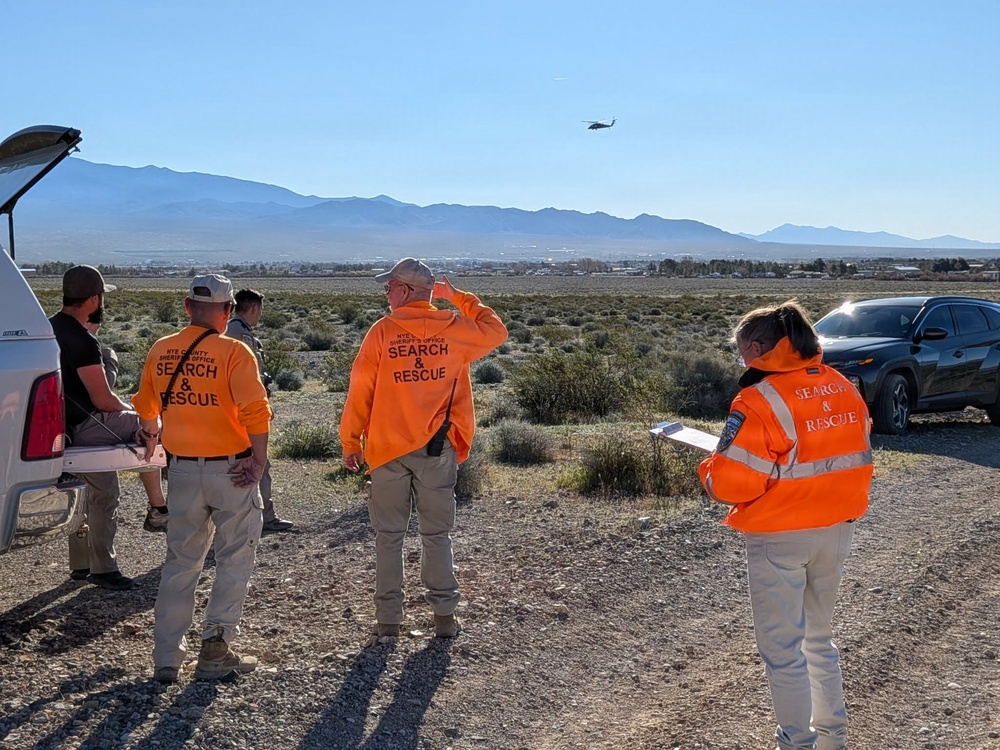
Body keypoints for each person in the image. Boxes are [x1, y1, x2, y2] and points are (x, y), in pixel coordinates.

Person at [698, 301, 873, 750]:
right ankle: (833, 740)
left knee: (783, 652)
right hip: (837, 526)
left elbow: (732, 484)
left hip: (781, 533)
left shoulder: (758, 400)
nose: (741, 361)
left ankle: (796, 743)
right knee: (819, 640)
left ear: (758, 349)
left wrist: (710, 468)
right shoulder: (841, 385)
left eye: (741, 352)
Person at [340, 258, 507, 640]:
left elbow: (361, 389)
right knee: (437, 534)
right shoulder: (456, 329)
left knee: (388, 536)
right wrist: (458, 297)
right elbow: (496, 331)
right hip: (437, 449)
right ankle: (444, 616)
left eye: (390, 287)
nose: (387, 294)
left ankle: (388, 621)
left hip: (387, 450)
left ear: (404, 290)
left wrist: (351, 441)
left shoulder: (382, 332)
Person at [132, 274, 272, 684]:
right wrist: (258, 461)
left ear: (187, 306)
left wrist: (152, 436)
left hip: (181, 471)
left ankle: (166, 658)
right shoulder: (234, 352)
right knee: (234, 558)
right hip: (232, 471)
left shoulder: (161, 349)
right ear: (227, 311)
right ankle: (215, 647)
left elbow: (146, 407)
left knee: (180, 562)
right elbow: (255, 412)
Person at [50, 265, 169, 592]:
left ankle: (82, 564)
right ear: (93, 299)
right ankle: (158, 509)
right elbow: (103, 400)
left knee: (88, 490)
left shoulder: (48, 329)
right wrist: (134, 414)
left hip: (58, 429)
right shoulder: (83, 340)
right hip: (86, 425)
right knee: (152, 425)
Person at [224, 288, 293, 532]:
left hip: (232, 411)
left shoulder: (228, 331)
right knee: (259, 463)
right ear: (254, 308)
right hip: (245, 413)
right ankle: (264, 517)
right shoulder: (242, 337)